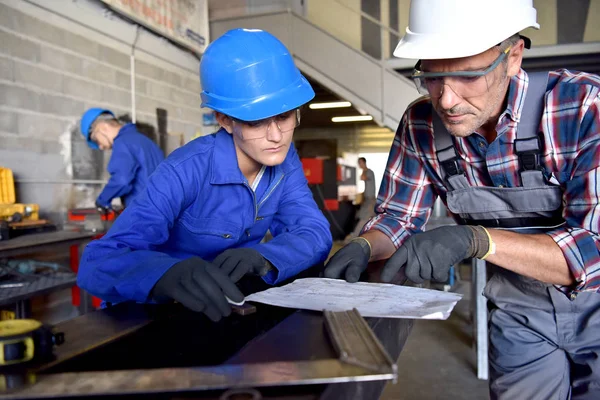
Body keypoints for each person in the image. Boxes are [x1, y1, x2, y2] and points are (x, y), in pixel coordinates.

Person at [324, 0, 600, 398]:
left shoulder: (582, 107)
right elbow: (398, 218)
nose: (447, 100)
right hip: (520, 315)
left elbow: (594, 248)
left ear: (513, 57)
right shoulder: (421, 125)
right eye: (432, 77)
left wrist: (476, 239)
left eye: (468, 75)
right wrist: (366, 246)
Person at [78, 29, 333, 322]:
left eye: (284, 116)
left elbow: (313, 232)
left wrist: (265, 257)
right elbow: (96, 262)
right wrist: (164, 274)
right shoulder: (185, 170)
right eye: (256, 121)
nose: (276, 136)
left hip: (224, 311)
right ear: (224, 120)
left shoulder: (284, 161)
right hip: (155, 320)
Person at [79, 108, 164, 210]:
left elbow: (122, 180)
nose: (100, 147)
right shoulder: (147, 142)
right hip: (160, 210)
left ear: (103, 128)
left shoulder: (122, 142)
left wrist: (102, 200)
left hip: (143, 212)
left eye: (96, 140)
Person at [348, 157, 376, 238]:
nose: (359, 165)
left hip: (370, 199)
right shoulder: (366, 172)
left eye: (360, 162)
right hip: (367, 199)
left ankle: (355, 236)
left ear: (364, 162)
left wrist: (363, 169)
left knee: (364, 217)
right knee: (364, 216)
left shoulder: (369, 172)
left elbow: (362, 177)